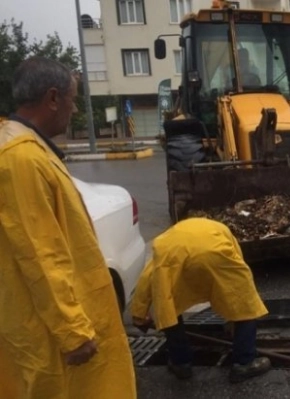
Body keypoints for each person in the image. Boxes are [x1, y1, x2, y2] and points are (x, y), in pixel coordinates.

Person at [0, 56, 136, 399]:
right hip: (49, 334)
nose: (74, 109)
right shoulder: (20, 158)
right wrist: (72, 330)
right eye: (73, 99)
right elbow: (39, 253)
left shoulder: (23, 148)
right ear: (52, 98)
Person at [131, 217, 271, 383]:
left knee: (169, 305)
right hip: (215, 254)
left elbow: (147, 277)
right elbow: (237, 262)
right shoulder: (221, 230)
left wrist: (139, 314)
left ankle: (181, 363)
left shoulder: (168, 240)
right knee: (244, 302)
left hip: (175, 259)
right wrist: (235, 316)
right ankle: (244, 363)